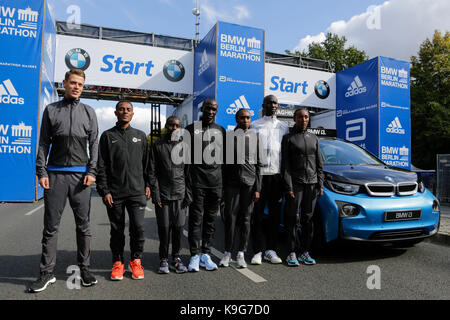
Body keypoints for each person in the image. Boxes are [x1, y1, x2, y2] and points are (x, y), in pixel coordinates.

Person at [30, 69, 98, 293]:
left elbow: (94, 145)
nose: (77, 87)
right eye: (73, 83)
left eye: (80, 84)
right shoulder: (51, 110)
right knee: (50, 228)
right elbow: (42, 144)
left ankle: (85, 269)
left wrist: (92, 172)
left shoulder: (89, 112)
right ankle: (46, 273)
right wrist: (42, 172)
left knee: (84, 227)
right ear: (65, 83)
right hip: (55, 175)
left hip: (81, 178)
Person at [96, 101, 150, 280]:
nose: (125, 112)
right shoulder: (107, 136)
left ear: (133, 114)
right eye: (122, 109)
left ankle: (136, 261)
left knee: (138, 229)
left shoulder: (141, 136)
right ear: (115, 112)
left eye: (128, 110)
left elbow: (147, 165)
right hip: (115, 193)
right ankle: (117, 263)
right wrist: (104, 190)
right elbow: (101, 166)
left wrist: (148, 185)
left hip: (137, 192)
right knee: (117, 230)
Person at [185, 98, 226, 272]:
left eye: (214, 109)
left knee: (210, 221)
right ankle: (194, 255)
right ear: (202, 109)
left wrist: (223, 186)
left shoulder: (221, 130)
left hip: (215, 184)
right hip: (196, 183)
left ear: (217, 111)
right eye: (208, 108)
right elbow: (184, 161)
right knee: (195, 220)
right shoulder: (190, 129)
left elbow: (225, 160)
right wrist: (187, 186)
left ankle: (205, 254)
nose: (210, 111)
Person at [148, 116, 191, 274]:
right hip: (163, 196)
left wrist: (188, 195)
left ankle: (177, 258)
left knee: (178, 229)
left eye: (177, 125)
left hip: (180, 195)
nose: (173, 128)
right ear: (166, 126)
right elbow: (151, 173)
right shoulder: (157, 146)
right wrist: (156, 195)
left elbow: (189, 174)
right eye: (171, 125)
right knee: (164, 229)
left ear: (180, 128)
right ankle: (163, 259)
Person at [219, 109, 262, 268]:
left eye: (248, 118)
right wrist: (223, 187)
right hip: (232, 184)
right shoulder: (229, 137)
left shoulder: (256, 138)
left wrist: (257, 188)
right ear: (236, 119)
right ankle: (227, 252)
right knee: (230, 218)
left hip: (249, 185)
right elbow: (223, 164)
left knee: (246, 219)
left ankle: (241, 253)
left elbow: (259, 165)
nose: (245, 120)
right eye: (242, 117)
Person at [281, 108, 324, 266]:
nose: (303, 119)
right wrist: (289, 187)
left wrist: (320, 184)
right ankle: (291, 252)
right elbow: (285, 165)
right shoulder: (288, 138)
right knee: (292, 219)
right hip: (296, 184)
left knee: (308, 219)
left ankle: (305, 251)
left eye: (306, 117)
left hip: (311, 184)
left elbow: (319, 164)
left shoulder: (313, 138)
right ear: (294, 118)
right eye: (300, 117)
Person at [249, 95, 289, 265]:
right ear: (263, 105)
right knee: (257, 215)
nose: (273, 105)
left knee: (274, 215)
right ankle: (257, 250)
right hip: (260, 176)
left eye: (275, 103)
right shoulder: (254, 125)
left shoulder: (284, 126)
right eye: (270, 103)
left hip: (277, 176)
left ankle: (271, 250)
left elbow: (285, 153)